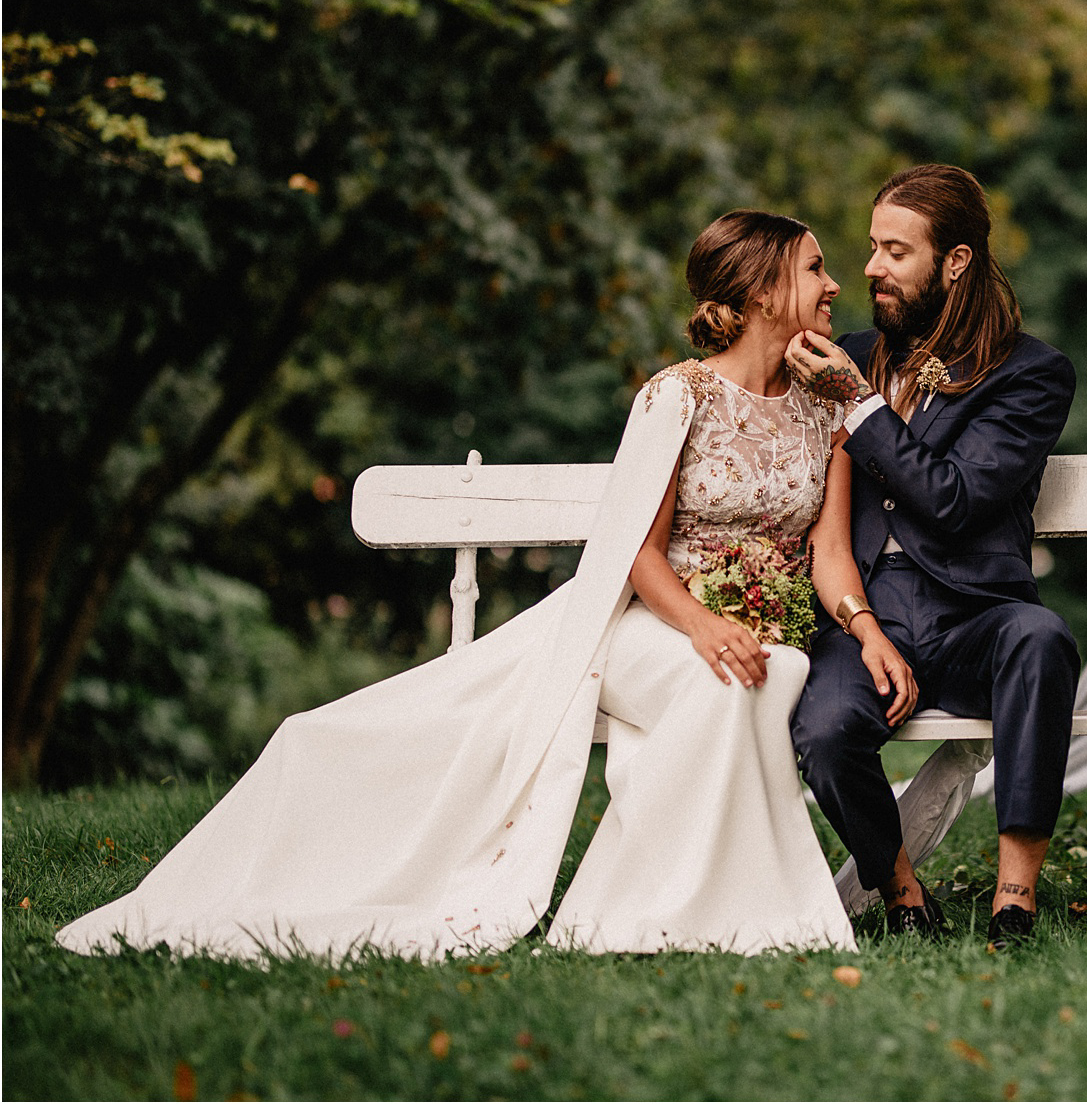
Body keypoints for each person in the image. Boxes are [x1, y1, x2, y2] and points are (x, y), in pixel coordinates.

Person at [57, 210, 896, 960]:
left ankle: (702, 908)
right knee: (730, 680)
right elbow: (631, 549)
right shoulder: (675, 396)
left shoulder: (826, 409)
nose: (833, 286)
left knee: (776, 670)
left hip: (763, 628)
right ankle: (636, 914)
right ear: (759, 290)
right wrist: (702, 626)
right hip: (647, 621)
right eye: (816, 268)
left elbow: (827, 551)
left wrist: (864, 631)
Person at [784, 164, 1079, 949]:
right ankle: (903, 896)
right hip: (864, 622)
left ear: (955, 263)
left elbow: (954, 498)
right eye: (871, 247)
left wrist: (859, 402)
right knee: (824, 727)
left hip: (973, 620)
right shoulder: (846, 355)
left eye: (895, 251)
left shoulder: (1031, 376)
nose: (872, 268)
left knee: (1042, 639)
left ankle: (1014, 902)